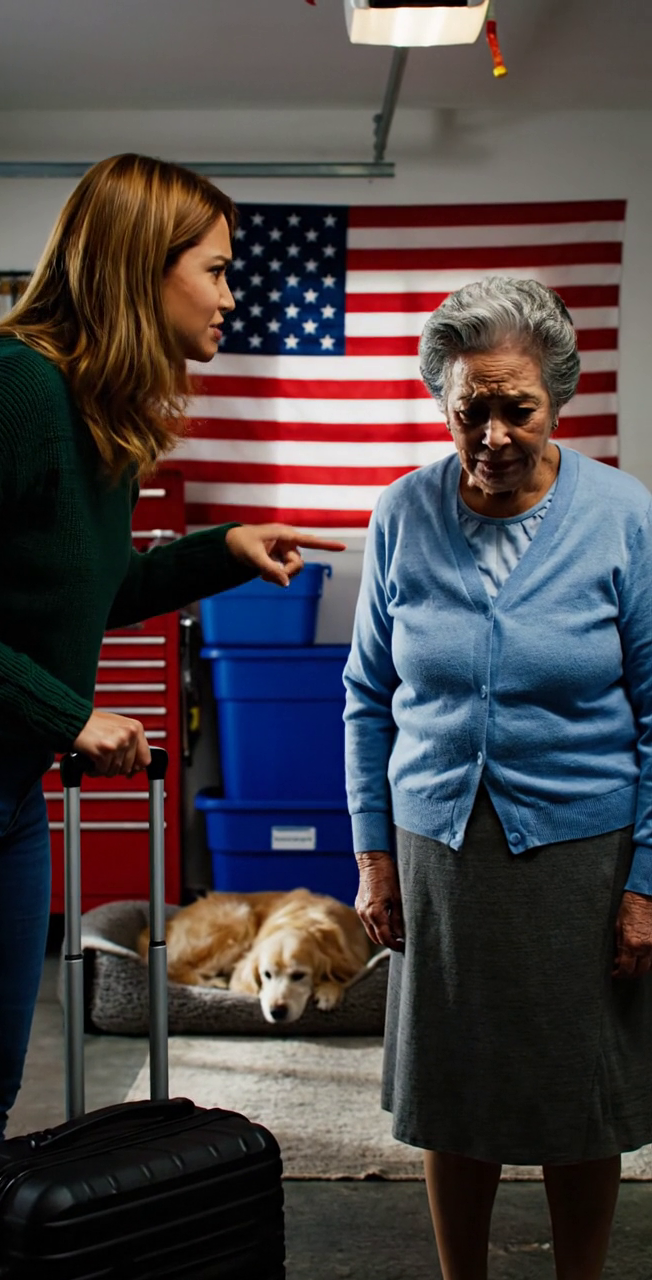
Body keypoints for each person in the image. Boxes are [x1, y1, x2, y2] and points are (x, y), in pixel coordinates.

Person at [0, 153, 344, 1165]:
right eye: (215, 269)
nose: (229, 294)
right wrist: (71, 716)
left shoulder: (93, 413)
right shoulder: (7, 387)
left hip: (9, 783)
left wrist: (224, 547)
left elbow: (94, 592)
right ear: (138, 270)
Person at [343, 276, 652, 1280]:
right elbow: (365, 695)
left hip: (581, 852)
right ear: (444, 401)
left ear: (557, 396)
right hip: (439, 848)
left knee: (581, 1087)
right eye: (468, 407)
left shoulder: (624, 518)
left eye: (515, 406)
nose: (492, 432)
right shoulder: (401, 513)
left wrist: (645, 879)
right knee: (453, 1083)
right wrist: (374, 854)